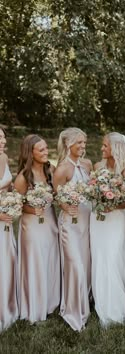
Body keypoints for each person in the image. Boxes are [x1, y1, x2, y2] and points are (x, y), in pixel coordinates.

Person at [14, 134, 60, 323]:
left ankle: (50, 302)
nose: (46, 152)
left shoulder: (51, 169)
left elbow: (58, 194)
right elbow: (15, 205)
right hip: (31, 226)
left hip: (50, 221)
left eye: (46, 148)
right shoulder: (23, 178)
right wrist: (33, 209)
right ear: (30, 153)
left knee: (50, 259)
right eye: (41, 149)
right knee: (35, 262)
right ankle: (34, 305)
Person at [90, 132, 125, 326]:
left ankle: (116, 305)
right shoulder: (97, 167)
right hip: (97, 219)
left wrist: (114, 205)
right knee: (99, 256)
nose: (102, 149)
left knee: (113, 257)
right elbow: (91, 190)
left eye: (105, 146)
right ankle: (101, 299)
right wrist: (97, 198)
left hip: (115, 219)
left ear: (115, 148)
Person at [53, 127, 92, 331]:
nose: (83, 146)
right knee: (75, 266)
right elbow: (57, 196)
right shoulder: (62, 169)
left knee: (84, 265)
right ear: (68, 144)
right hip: (70, 224)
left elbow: (92, 189)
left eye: (84, 143)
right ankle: (74, 312)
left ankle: (84, 301)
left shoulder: (87, 164)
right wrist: (66, 206)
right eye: (79, 143)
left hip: (87, 222)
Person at [0, 127, 18, 331]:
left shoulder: (3, 157)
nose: (3, 141)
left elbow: (7, 187)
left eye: (3, 137)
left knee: (6, 260)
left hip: (6, 219)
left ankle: (6, 307)